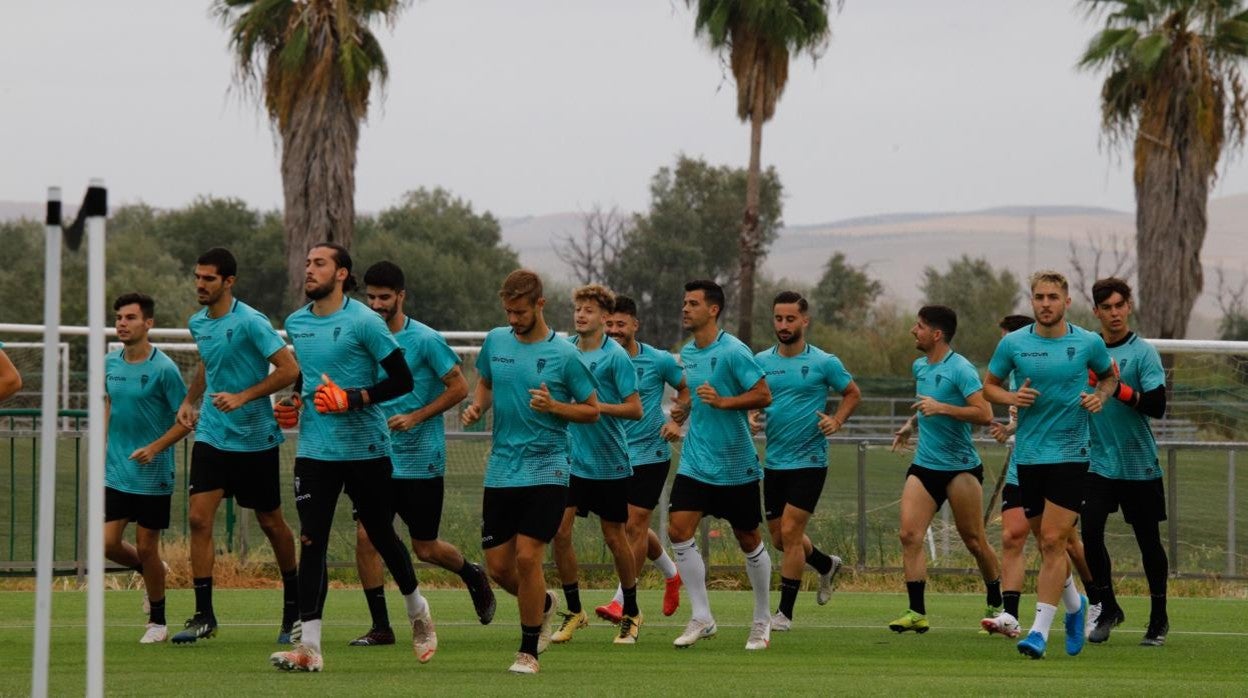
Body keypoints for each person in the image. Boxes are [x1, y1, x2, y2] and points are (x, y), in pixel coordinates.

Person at [268, 244, 432, 673]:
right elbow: (307, 376)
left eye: (318, 263)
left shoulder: (364, 320)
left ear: (341, 273)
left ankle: (417, 608)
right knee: (311, 541)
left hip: (366, 450)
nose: (309, 269)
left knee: (380, 534)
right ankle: (311, 648)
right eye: (306, 263)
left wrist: (354, 398)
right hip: (315, 453)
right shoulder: (296, 323)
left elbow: (403, 379)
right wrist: (292, 402)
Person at [348, 261, 495, 647]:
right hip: (373, 457)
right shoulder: (363, 338)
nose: (377, 304)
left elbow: (460, 387)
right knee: (367, 537)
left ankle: (472, 573)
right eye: (371, 297)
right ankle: (381, 626)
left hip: (420, 459)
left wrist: (416, 416)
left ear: (401, 296)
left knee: (424, 547)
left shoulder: (426, 339)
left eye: (384, 297)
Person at [460, 269, 600, 674]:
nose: (513, 319)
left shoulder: (565, 355)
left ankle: (528, 652)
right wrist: (477, 406)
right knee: (499, 567)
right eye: (507, 311)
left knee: (527, 558)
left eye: (520, 312)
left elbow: (591, 410)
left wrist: (556, 407)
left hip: (548, 467)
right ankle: (545, 605)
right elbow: (485, 382)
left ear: (540, 304)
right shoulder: (496, 340)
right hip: (502, 469)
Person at [984, 270, 1116, 659]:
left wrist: (1100, 397)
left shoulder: (1088, 342)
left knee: (1056, 540)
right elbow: (988, 385)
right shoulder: (1014, 344)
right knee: (1047, 544)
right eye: (1039, 297)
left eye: (1052, 297)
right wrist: (1010, 396)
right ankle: (1074, 608)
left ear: (1066, 301)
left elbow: (1108, 378)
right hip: (1028, 457)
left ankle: (1039, 633)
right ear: (1032, 301)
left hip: (1072, 455)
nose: (1045, 304)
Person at [174, 248, 301, 645]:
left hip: (254, 438)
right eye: (197, 277)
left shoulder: (250, 321)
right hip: (213, 434)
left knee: (271, 523)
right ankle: (204, 615)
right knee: (198, 518)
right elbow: (207, 363)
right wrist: (189, 400)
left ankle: (294, 608)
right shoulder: (198, 322)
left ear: (228, 281)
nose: (200, 284)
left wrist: (244, 397)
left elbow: (289, 369)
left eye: (208, 278)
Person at [667, 280, 774, 651]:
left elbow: (764, 394)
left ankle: (762, 620)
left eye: (692, 303)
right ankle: (702, 616)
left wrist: (725, 401)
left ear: (713, 310)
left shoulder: (734, 351)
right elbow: (699, 397)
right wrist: (682, 413)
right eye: (684, 302)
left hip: (735, 464)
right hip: (697, 460)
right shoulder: (688, 353)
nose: (685, 308)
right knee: (678, 529)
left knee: (748, 538)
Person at [885, 305, 1000, 634]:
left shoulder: (961, 369)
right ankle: (916, 612)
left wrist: (942, 408)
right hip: (924, 466)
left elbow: (984, 414)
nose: (913, 331)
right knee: (909, 535)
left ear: (936, 334)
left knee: (975, 542)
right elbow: (926, 406)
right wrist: (911, 424)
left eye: (919, 326)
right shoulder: (919, 366)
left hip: (961, 469)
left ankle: (996, 604)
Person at [980, 315, 1094, 640]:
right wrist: (1008, 427)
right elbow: (998, 395)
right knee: (1018, 537)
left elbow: (1095, 384)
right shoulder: (1014, 370)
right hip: (1025, 463)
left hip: (1065, 459)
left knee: (1058, 541)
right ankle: (1039, 610)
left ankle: (1091, 602)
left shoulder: (1064, 361)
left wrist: (1100, 394)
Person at [751, 291, 859, 631]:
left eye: (790, 319)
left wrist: (837, 420)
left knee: (792, 531)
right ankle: (826, 564)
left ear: (804, 321)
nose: (783, 325)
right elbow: (755, 396)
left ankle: (784, 614)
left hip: (810, 460)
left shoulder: (825, 362)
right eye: (778, 319)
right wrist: (753, 413)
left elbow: (852, 393)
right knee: (781, 539)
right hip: (776, 461)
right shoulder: (761, 361)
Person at [550, 284, 644, 645]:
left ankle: (632, 612)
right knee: (560, 532)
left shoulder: (615, 357)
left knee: (614, 537)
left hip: (608, 461)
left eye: (588, 310)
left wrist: (595, 408)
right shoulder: (565, 350)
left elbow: (634, 409)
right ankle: (575, 611)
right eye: (577, 309)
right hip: (571, 460)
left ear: (605, 318)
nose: (580, 315)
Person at [1083, 277, 1170, 646]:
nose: (1114, 313)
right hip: (1095, 461)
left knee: (1148, 541)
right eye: (1107, 307)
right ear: (1096, 311)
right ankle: (1109, 607)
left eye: (1120, 305)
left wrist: (1115, 387)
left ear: (1129, 307)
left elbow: (1157, 406)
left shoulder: (1143, 353)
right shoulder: (1085, 349)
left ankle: (1159, 617)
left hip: (1137, 462)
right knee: (1089, 533)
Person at [103, 292, 191, 644]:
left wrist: (154, 448)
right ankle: (150, 570)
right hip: (116, 471)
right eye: (119, 318)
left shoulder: (164, 370)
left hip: (153, 474)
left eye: (130, 317)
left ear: (148, 323)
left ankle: (157, 622)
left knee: (147, 545)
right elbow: (110, 404)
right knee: (106, 544)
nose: (122, 323)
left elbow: (185, 421)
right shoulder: (110, 363)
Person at [594, 294, 687, 623]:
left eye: (621, 324)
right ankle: (671, 573)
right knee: (623, 527)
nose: (615, 329)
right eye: (610, 324)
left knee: (633, 524)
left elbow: (686, 388)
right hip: (613, 455)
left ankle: (622, 600)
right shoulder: (597, 358)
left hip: (651, 453)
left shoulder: (658, 360)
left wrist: (677, 421)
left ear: (635, 325)